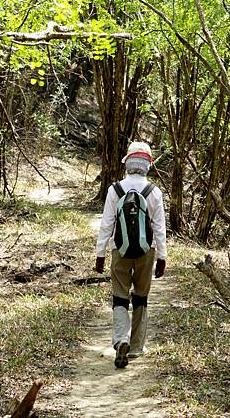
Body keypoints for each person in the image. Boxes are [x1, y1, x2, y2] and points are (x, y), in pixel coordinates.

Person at [94, 141, 167, 368]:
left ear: (128, 162)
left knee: (120, 297)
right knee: (141, 298)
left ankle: (120, 340)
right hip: (147, 251)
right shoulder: (154, 192)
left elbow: (107, 224)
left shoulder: (114, 190)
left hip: (119, 250)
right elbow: (159, 227)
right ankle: (135, 347)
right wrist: (162, 257)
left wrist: (100, 254)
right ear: (148, 164)